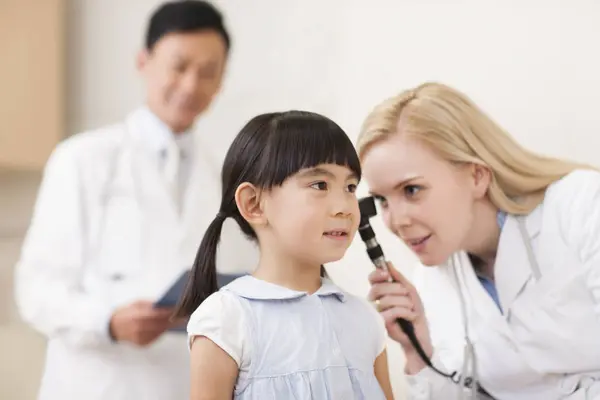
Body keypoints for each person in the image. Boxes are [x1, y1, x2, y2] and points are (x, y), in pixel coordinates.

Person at [14, 2, 257, 400]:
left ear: (221, 83)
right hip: (94, 385)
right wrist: (106, 322)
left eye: (208, 73)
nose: (191, 85)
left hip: (183, 386)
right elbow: (36, 289)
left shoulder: (227, 181)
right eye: (179, 66)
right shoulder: (82, 159)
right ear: (143, 62)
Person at [356, 81, 600, 399]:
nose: (396, 221)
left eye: (412, 190)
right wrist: (419, 351)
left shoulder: (582, 206)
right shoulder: (430, 282)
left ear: (476, 176)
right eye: (382, 200)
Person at [173, 110, 396, 399]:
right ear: (253, 203)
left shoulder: (364, 320)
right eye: (320, 185)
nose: (344, 206)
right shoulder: (227, 321)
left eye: (350, 187)